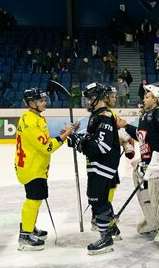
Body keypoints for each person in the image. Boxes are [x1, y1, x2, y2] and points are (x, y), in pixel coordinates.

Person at [120, 82, 159, 244]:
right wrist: (126, 127)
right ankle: (156, 222)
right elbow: (142, 136)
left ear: (157, 99)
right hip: (148, 163)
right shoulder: (146, 115)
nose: (144, 99)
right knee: (149, 195)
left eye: (147, 97)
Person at [15, 88, 73, 250]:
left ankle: (29, 226)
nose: (44, 102)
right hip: (31, 166)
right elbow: (46, 147)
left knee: (36, 198)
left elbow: (44, 141)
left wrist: (63, 135)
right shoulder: (31, 121)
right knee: (33, 199)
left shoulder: (35, 118)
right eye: (41, 101)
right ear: (32, 103)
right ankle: (25, 234)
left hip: (36, 165)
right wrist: (65, 136)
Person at [67, 83, 121, 254]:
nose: (88, 101)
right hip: (99, 165)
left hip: (102, 165)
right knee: (100, 198)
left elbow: (102, 146)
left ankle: (106, 238)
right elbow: (94, 138)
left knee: (97, 200)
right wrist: (76, 138)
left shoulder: (104, 116)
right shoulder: (97, 115)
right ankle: (111, 229)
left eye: (90, 98)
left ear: (100, 98)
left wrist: (78, 142)